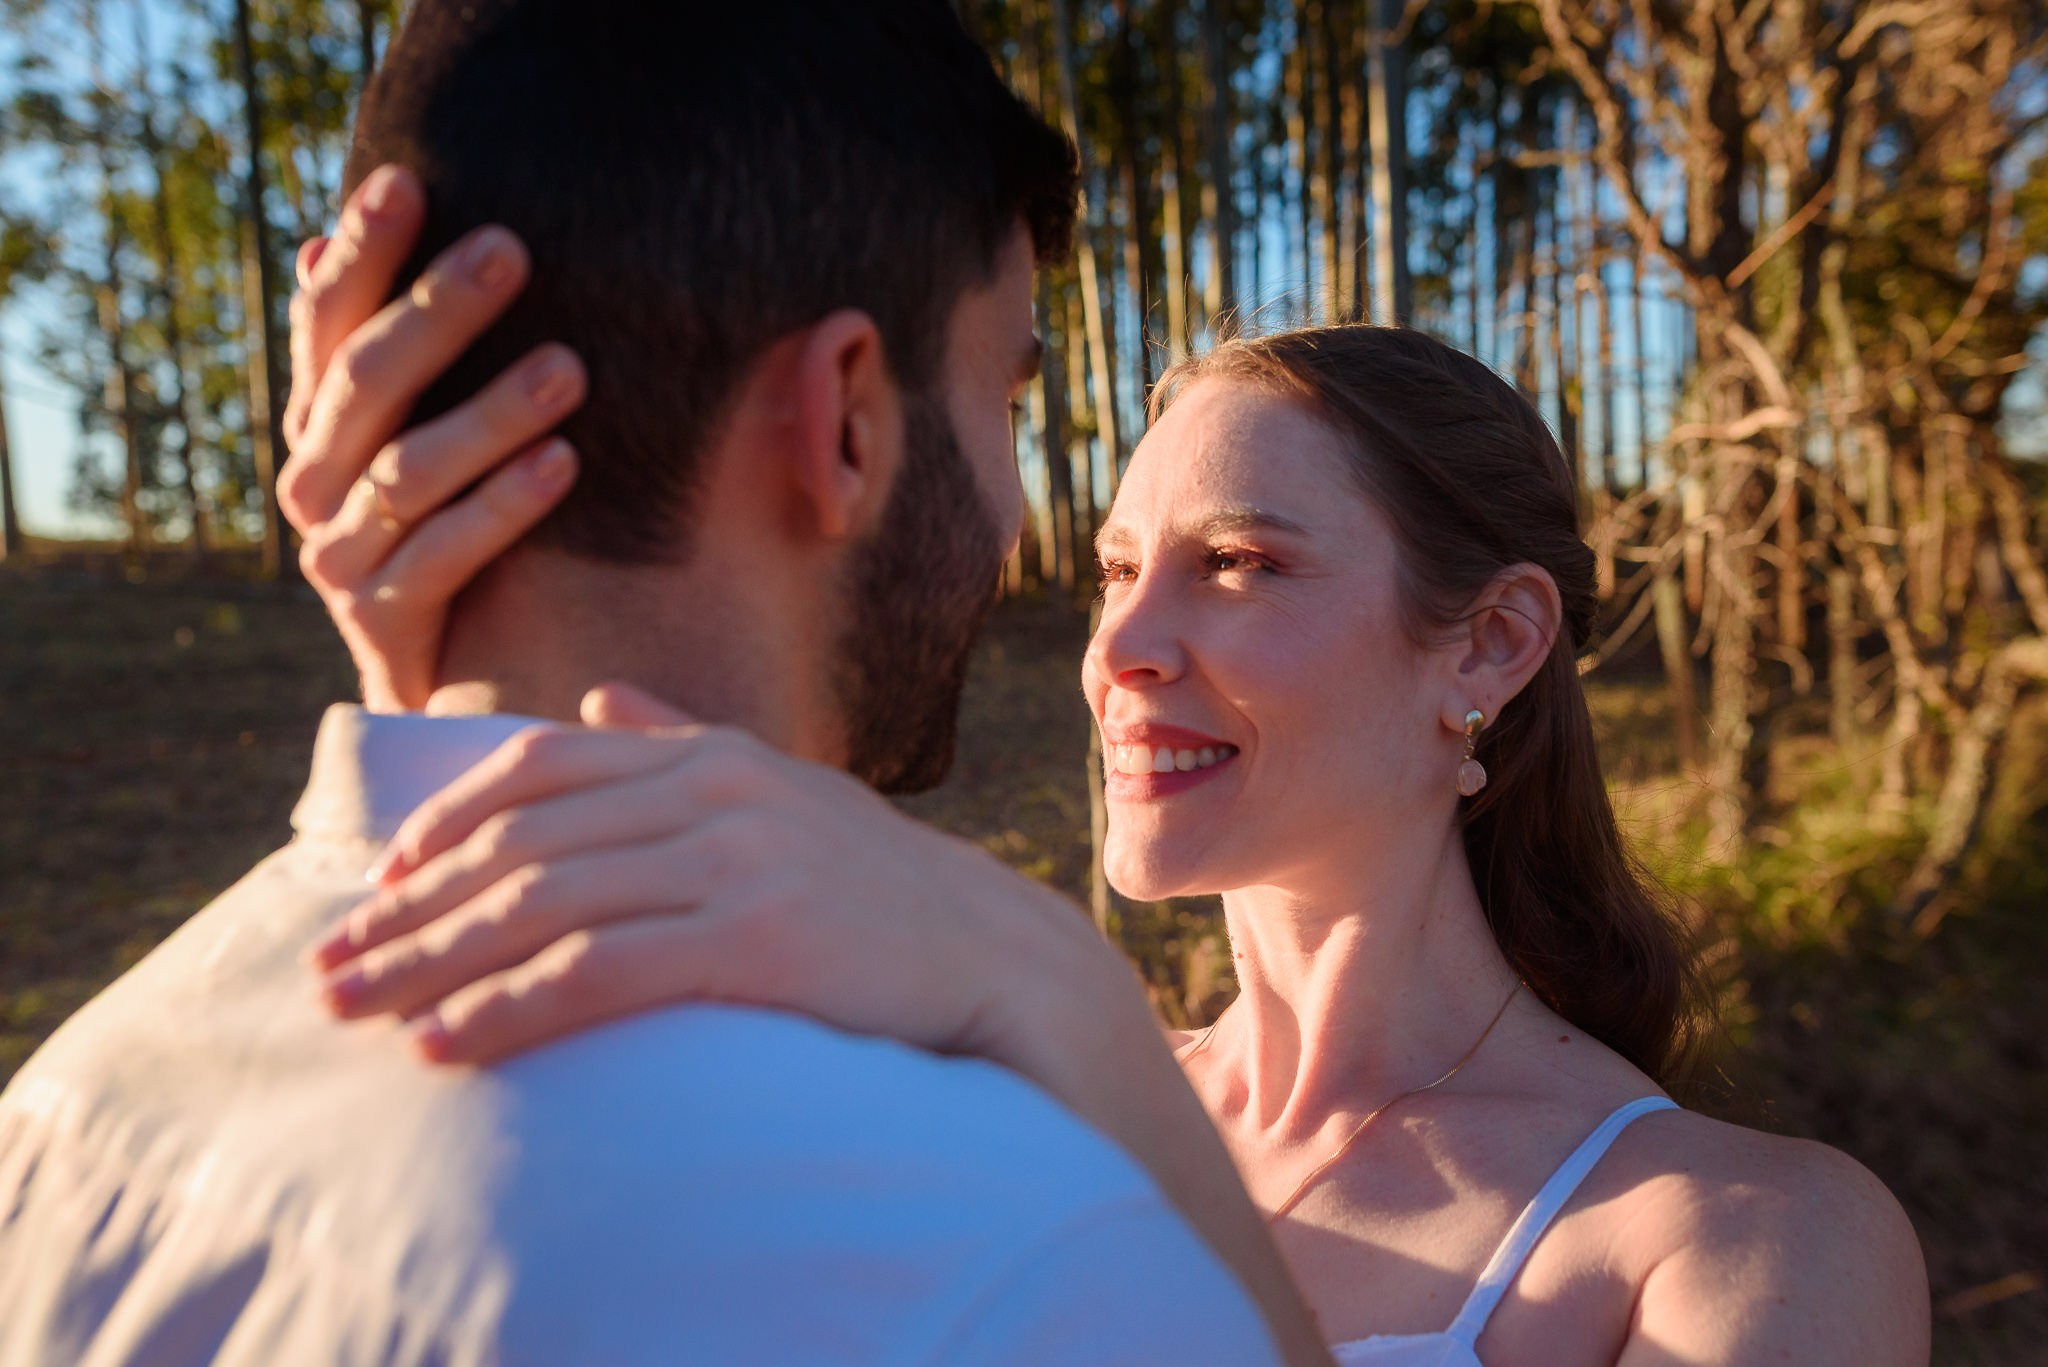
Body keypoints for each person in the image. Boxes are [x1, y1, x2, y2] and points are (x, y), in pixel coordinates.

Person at [280, 223, 1935, 1362]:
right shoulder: (1002, 1106)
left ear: (1488, 647)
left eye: (1238, 565)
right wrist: (444, 678)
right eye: (1118, 571)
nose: (1121, 647)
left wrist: (1051, 991)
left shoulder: (1744, 1246)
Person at [0, 3, 1327, 1363]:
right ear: (849, 420)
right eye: (1004, 398)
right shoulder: (1015, 1264)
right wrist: (1077, 994)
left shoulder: (63, 1114)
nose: (1008, 513)